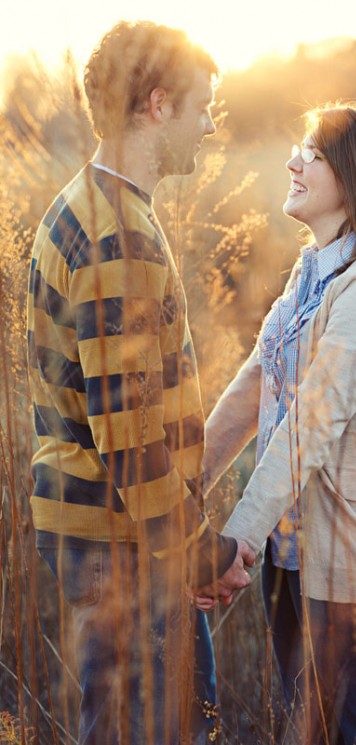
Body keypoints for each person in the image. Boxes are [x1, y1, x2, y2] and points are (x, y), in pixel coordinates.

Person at [27, 21, 254, 745]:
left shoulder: (85, 203)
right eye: (201, 107)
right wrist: (202, 552)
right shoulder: (117, 234)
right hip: (123, 548)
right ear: (159, 105)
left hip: (117, 540)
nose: (209, 125)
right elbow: (128, 434)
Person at [198, 102, 356, 744]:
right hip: (293, 553)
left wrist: (236, 539)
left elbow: (312, 420)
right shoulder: (313, 271)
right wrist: (183, 491)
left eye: (313, 152)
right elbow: (255, 385)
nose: (292, 162)